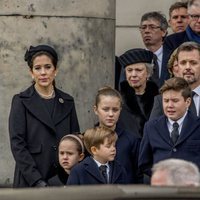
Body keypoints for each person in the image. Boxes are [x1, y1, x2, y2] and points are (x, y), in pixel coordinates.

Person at [9, 44, 80, 188]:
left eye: (48, 67)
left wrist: (69, 173)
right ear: (31, 72)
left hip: (61, 180)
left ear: (56, 70)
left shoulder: (67, 101)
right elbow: (18, 145)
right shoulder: (21, 101)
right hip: (30, 181)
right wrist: (36, 180)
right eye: (37, 68)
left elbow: (75, 138)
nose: (43, 72)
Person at [139, 77, 200, 177]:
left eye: (175, 101)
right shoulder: (151, 127)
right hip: (162, 190)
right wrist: (162, 177)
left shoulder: (197, 125)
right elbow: (144, 163)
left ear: (188, 102)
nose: (169, 105)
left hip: (192, 189)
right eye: (166, 101)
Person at [93, 86, 141, 183]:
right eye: (106, 109)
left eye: (115, 110)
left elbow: (138, 175)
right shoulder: (87, 139)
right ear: (95, 110)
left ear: (120, 110)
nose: (111, 114)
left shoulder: (132, 140)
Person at [150, 41, 200, 119]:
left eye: (193, 63)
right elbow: (152, 130)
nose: (187, 67)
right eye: (183, 63)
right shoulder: (161, 100)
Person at [118, 48, 159, 137]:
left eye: (139, 70)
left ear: (148, 73)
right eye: (129, 70)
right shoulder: (118, 99)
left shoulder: (159, 98)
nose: (133, 75)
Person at [163, 0, 200, 69]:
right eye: (175, 17)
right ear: (169, 22)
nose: (179, 21)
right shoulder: (170, 41)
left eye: (183, 17)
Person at [139, 11, 169, 87]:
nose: (146, 31)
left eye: (152, 27)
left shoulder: (172, 57)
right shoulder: (135, 59)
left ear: (163, 32)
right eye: (143, 27)